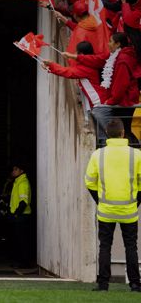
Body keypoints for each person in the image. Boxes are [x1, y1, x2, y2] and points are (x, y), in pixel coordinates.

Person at [84, 119, 141, 292]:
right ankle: (135, 284)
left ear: (107, 134)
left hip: (106, 210)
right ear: (123, 133)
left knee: (105, 246)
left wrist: (100, 201)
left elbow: (89, 182)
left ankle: (103, 285)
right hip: (129, 210)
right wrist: (136, 202)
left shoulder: (98, 155)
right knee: (131, 246)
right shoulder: (136, 154)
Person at [41, 41, 110, 144]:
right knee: (103, 135)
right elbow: (72, 69)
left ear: (81, 54)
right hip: (100, 102)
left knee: (106, 135)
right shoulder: (91, 63)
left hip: (99, 104)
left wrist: (51, 65)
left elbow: (67, 72)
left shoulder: (86, 68)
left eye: (76, 53)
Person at [8, 163, 32, 269]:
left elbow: (23, 202)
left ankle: (25, 263)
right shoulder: (17, 182)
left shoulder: (22, 183)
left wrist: (17, 214)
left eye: (16, 169)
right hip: (18, 216)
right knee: (17, 240)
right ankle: (19, 261)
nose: (13, 171)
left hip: (22, 216)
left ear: (21, 171)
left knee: (22, 241)